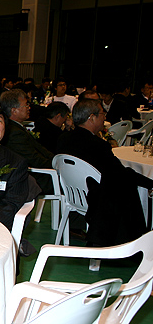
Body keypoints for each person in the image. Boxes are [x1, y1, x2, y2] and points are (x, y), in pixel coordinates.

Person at [57, 99, 153, 246]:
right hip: (95, 197)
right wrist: (149, 182)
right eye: (102, 114)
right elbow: (120, 173)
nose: (105, 117)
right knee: (127, 183)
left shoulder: (64, 138)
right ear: (91, 117)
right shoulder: (97, 145)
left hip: (73, 192)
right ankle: (137, 241)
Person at [0, 89, 54, 194]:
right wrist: (56, 165)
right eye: (26, 105)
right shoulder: (14, 133)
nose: (29, 108)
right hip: (31, 178)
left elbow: (39, 149)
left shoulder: (16, 127)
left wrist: (55, 160)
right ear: (14, 111)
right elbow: (33, 159)